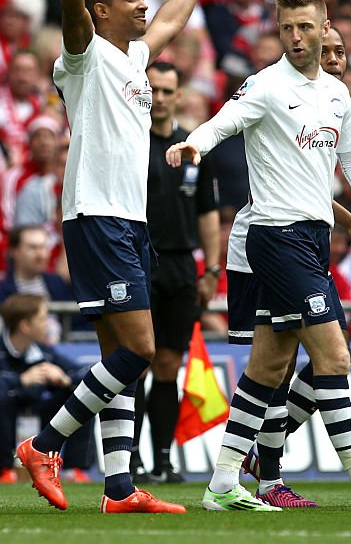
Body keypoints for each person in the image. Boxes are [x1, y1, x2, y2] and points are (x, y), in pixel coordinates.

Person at [14, 0, 231, 516]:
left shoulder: (135, 56)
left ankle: (117, 490)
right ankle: (45, 444)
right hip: (97, 214)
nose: (143, 5)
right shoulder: (82, 56)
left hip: (127, 220)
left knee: (121, 358)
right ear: (101, 10)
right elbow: (70, 10)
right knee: (139, 349)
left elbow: (170, 19)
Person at [166, 0, 351, 511]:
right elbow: (225, 121)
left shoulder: (338, 94)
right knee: (334, 355)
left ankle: (224, 483)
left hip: (314, 238)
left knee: (270, 365)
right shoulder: (266, 85)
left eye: (304, 26)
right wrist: (195, 142)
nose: (295, 37)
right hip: (275, 237)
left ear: (324, 28)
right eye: (286, 28)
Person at [234, 27, 351, 508]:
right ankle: (274, 478)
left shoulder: (332, 102)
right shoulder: (278, 92)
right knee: (298, 361)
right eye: (330, 49)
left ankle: (249, 467)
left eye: (343, 51)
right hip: (265, 241)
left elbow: (321, 188)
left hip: (301, 242)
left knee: (305, 360)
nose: (336, 58)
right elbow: (291, 194)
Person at [130, 60, 221, 484]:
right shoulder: (130, 141)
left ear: (179, 95)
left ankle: (163, 459)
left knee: (169, 364)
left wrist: (211, 270)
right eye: (155, 90)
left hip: (184, 267)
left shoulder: (194, 147)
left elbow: (208, 213)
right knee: (135, 363)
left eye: (168, 90)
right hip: (140, 261)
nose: (161, 98)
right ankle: (128, 460)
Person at [0, 294, 93, 483]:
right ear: (25, 326)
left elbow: (86, 375)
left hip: (33, 425)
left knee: (81, 393)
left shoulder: (44, 352)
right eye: (43, 319)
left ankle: (74, 469)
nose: (48, 325)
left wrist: (64, 379)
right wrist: (20, 380)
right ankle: (4, 471)